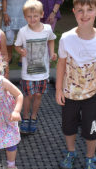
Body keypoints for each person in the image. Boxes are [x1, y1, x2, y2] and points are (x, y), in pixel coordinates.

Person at [55, 0, 96, 169]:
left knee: (92, 128)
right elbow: (61, 64)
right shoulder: (66, 38)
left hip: (92, 93)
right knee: (68, 126)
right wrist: (58, 89)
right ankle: (71, 153)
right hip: (70, 93)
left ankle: (90, 157)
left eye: (89, 10)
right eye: (80, 10)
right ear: (74, 12)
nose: (85, 14)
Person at [15, 0, 57, 134]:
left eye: (35, 16)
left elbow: (51, 39)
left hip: (42, 72)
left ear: (42, 14)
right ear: (25, 16)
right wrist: (20, 51)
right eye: (29, 16)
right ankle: (25, 117)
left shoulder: (47, 29)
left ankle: (34, 117)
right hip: (28, 72)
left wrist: (52, 52)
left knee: (38, 95)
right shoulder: (23, 31)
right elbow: (17, 45)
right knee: (28, 96)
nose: (32, 19)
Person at [2, 0, 27, 67]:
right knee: (9, 36)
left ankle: (22, 55)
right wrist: (5, 13)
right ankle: (9, 54)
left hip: (23, 13)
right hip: (9, 13)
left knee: (23, 35)